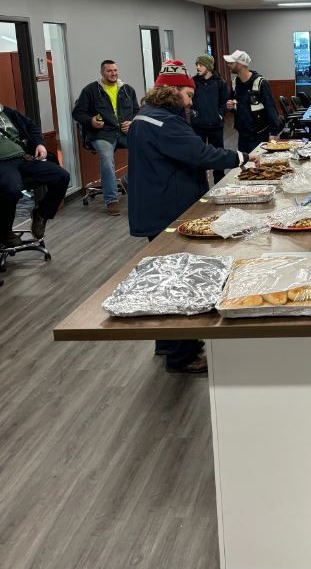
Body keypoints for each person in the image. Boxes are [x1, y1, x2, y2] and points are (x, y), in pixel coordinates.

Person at [127, 60, 257, 374]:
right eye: (187, 93)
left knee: (166, 277)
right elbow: (199, 154)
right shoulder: (165, 123)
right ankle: (181, 355)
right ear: (171, 91)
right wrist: (241, 157)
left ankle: (170, 342)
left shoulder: (146, 117)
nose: (190, 100)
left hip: (155, 205)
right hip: (167, 209)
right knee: (179, 281)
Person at [72, 60, 138, 216]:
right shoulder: (90, 90)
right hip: (102, 134)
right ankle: (111, 200)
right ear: (102, 73)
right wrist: (91, 121)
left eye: (115, 70)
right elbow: (77, 113)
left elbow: (137, 111)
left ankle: (127, 180)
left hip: (124, 132)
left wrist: (132, 121)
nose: (113, 73)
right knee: (107, 158)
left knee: (146, 149)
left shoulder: (127, 90)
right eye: (109, 71)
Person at [0, 103, 70, 246]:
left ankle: (42, 214)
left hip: (23, 158)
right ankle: (5, 232)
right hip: (3, 164)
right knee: (11, 190)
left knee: (61, 176)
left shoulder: (6, 112)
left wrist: (40, 144)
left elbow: (31, 126)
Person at [223, 49, 281, 153]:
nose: (228, 65)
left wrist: (274, 133)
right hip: (242, 134)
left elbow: (271, 108)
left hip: (259, 134)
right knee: (246, 166)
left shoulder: (260, 83)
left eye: (232, 62)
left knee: (261, 165)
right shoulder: (235, 82)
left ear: (240, 64)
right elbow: (234, 103)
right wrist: (231, 106)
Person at [191, 54, 231, 184]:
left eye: (201, 65)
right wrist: (194, 114)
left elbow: (225, 102)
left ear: (208, 66)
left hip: (215, 126)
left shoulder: (220, 83)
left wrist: (219, 115)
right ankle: (200, 182)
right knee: (198, 156)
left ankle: (219, 183)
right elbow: (189, 101)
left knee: (218, 155)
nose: (197, 67)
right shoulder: (193, 82)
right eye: (197, 64)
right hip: (198, 126)